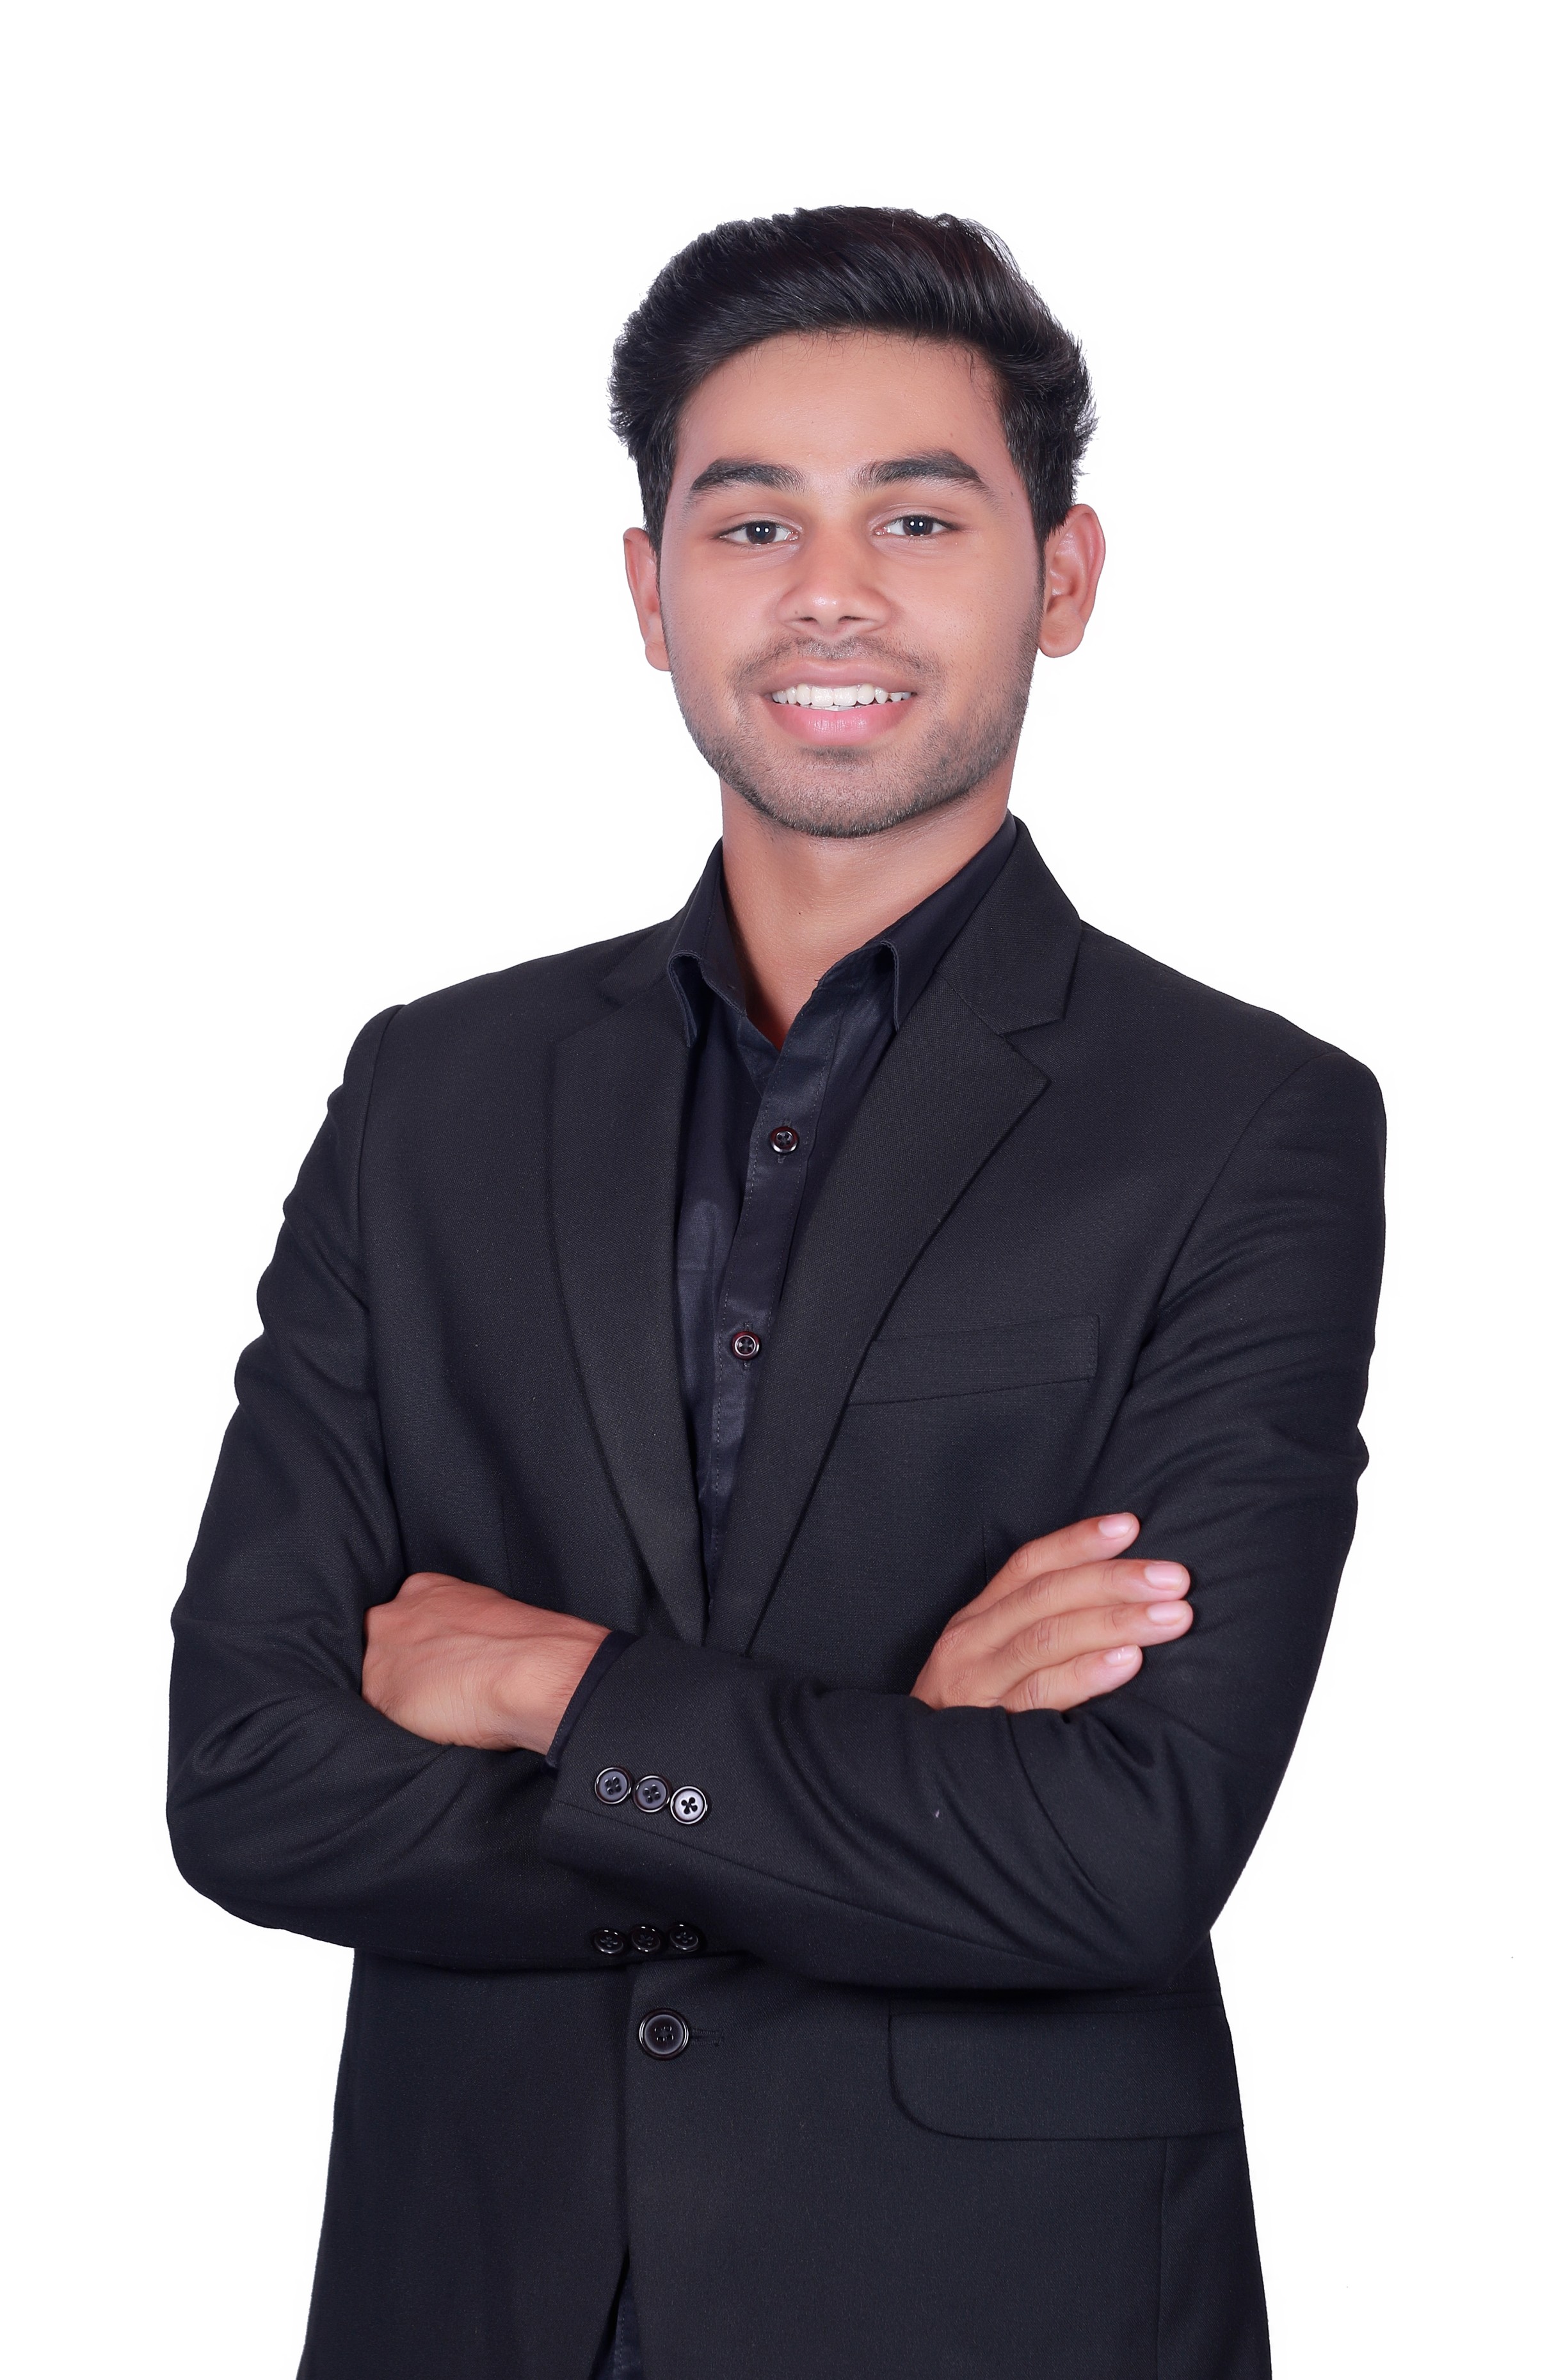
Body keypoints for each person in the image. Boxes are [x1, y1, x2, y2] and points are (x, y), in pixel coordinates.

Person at [168, 205, 1385, 2380]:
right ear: (652, 595)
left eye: (916, 517)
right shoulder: (437, 1092)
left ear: (1062, 577)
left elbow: (1118, 1853)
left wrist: (553, 1688)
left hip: (992, 2309)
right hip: (477, 2293)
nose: (830, 591)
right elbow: (252, 1777)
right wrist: (894, 1771)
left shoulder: (1240, 1121)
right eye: (751, 526)